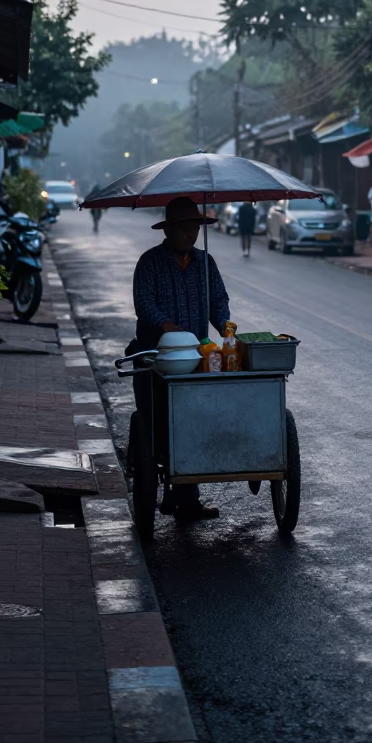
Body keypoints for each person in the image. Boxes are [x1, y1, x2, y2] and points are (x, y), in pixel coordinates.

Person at [128, 195, 230, 520]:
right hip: (158, 357)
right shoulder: (149, 263)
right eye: (185, 228)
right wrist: (167, 326)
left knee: (197, 419)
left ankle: (187, 497)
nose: (191, 234)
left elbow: (219, 301)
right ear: (169, 229)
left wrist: (226, 328)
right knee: (160, 421)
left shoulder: (206, 263)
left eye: (195, 228)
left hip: (196, 356)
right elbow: (144, 304)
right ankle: (154, 474)